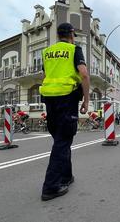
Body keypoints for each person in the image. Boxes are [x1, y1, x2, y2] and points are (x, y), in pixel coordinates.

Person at [40, 22, 90, 201]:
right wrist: (86, 100)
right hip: (67, 97)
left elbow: (45, 76)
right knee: (63, 140)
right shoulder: (74, 49)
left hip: (49, 99)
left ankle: (66, 176)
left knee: (60, 139)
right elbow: (83, 74)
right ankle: (51, 186)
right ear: (71, 34)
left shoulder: (47, 52)